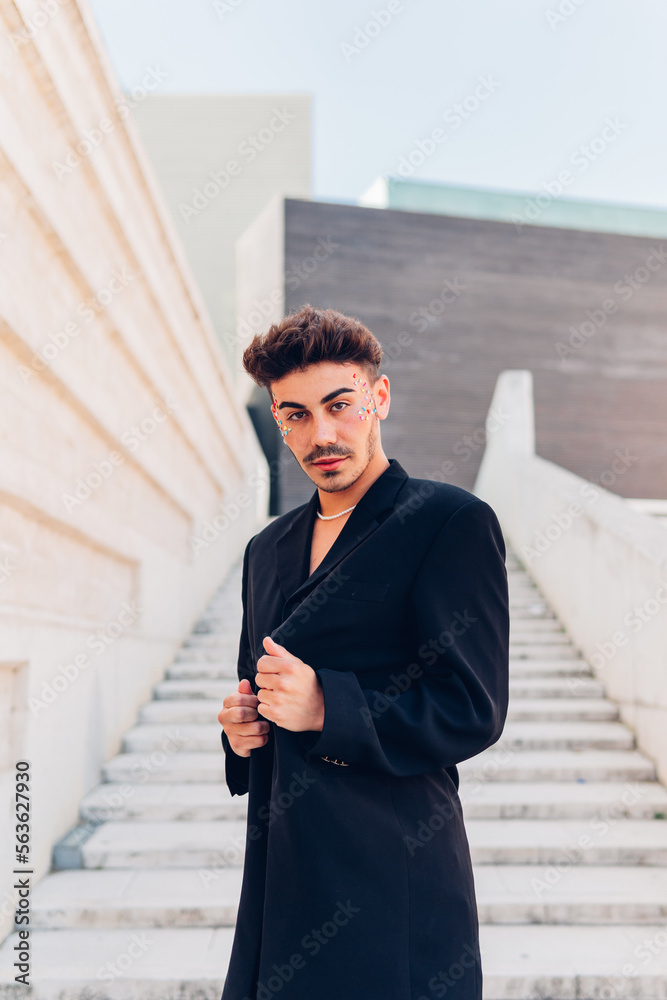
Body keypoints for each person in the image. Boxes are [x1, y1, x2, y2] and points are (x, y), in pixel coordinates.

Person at [218, 305, 509, 1000]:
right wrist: (240, 728)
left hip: (393, 874)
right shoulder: (265, 550)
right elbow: (255, 683)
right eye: (293, 415)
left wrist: (327, 706)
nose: (320, 434)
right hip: (279, 874)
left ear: (377, 398)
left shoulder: (447, 522)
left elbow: (471, 707)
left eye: (339, 405)